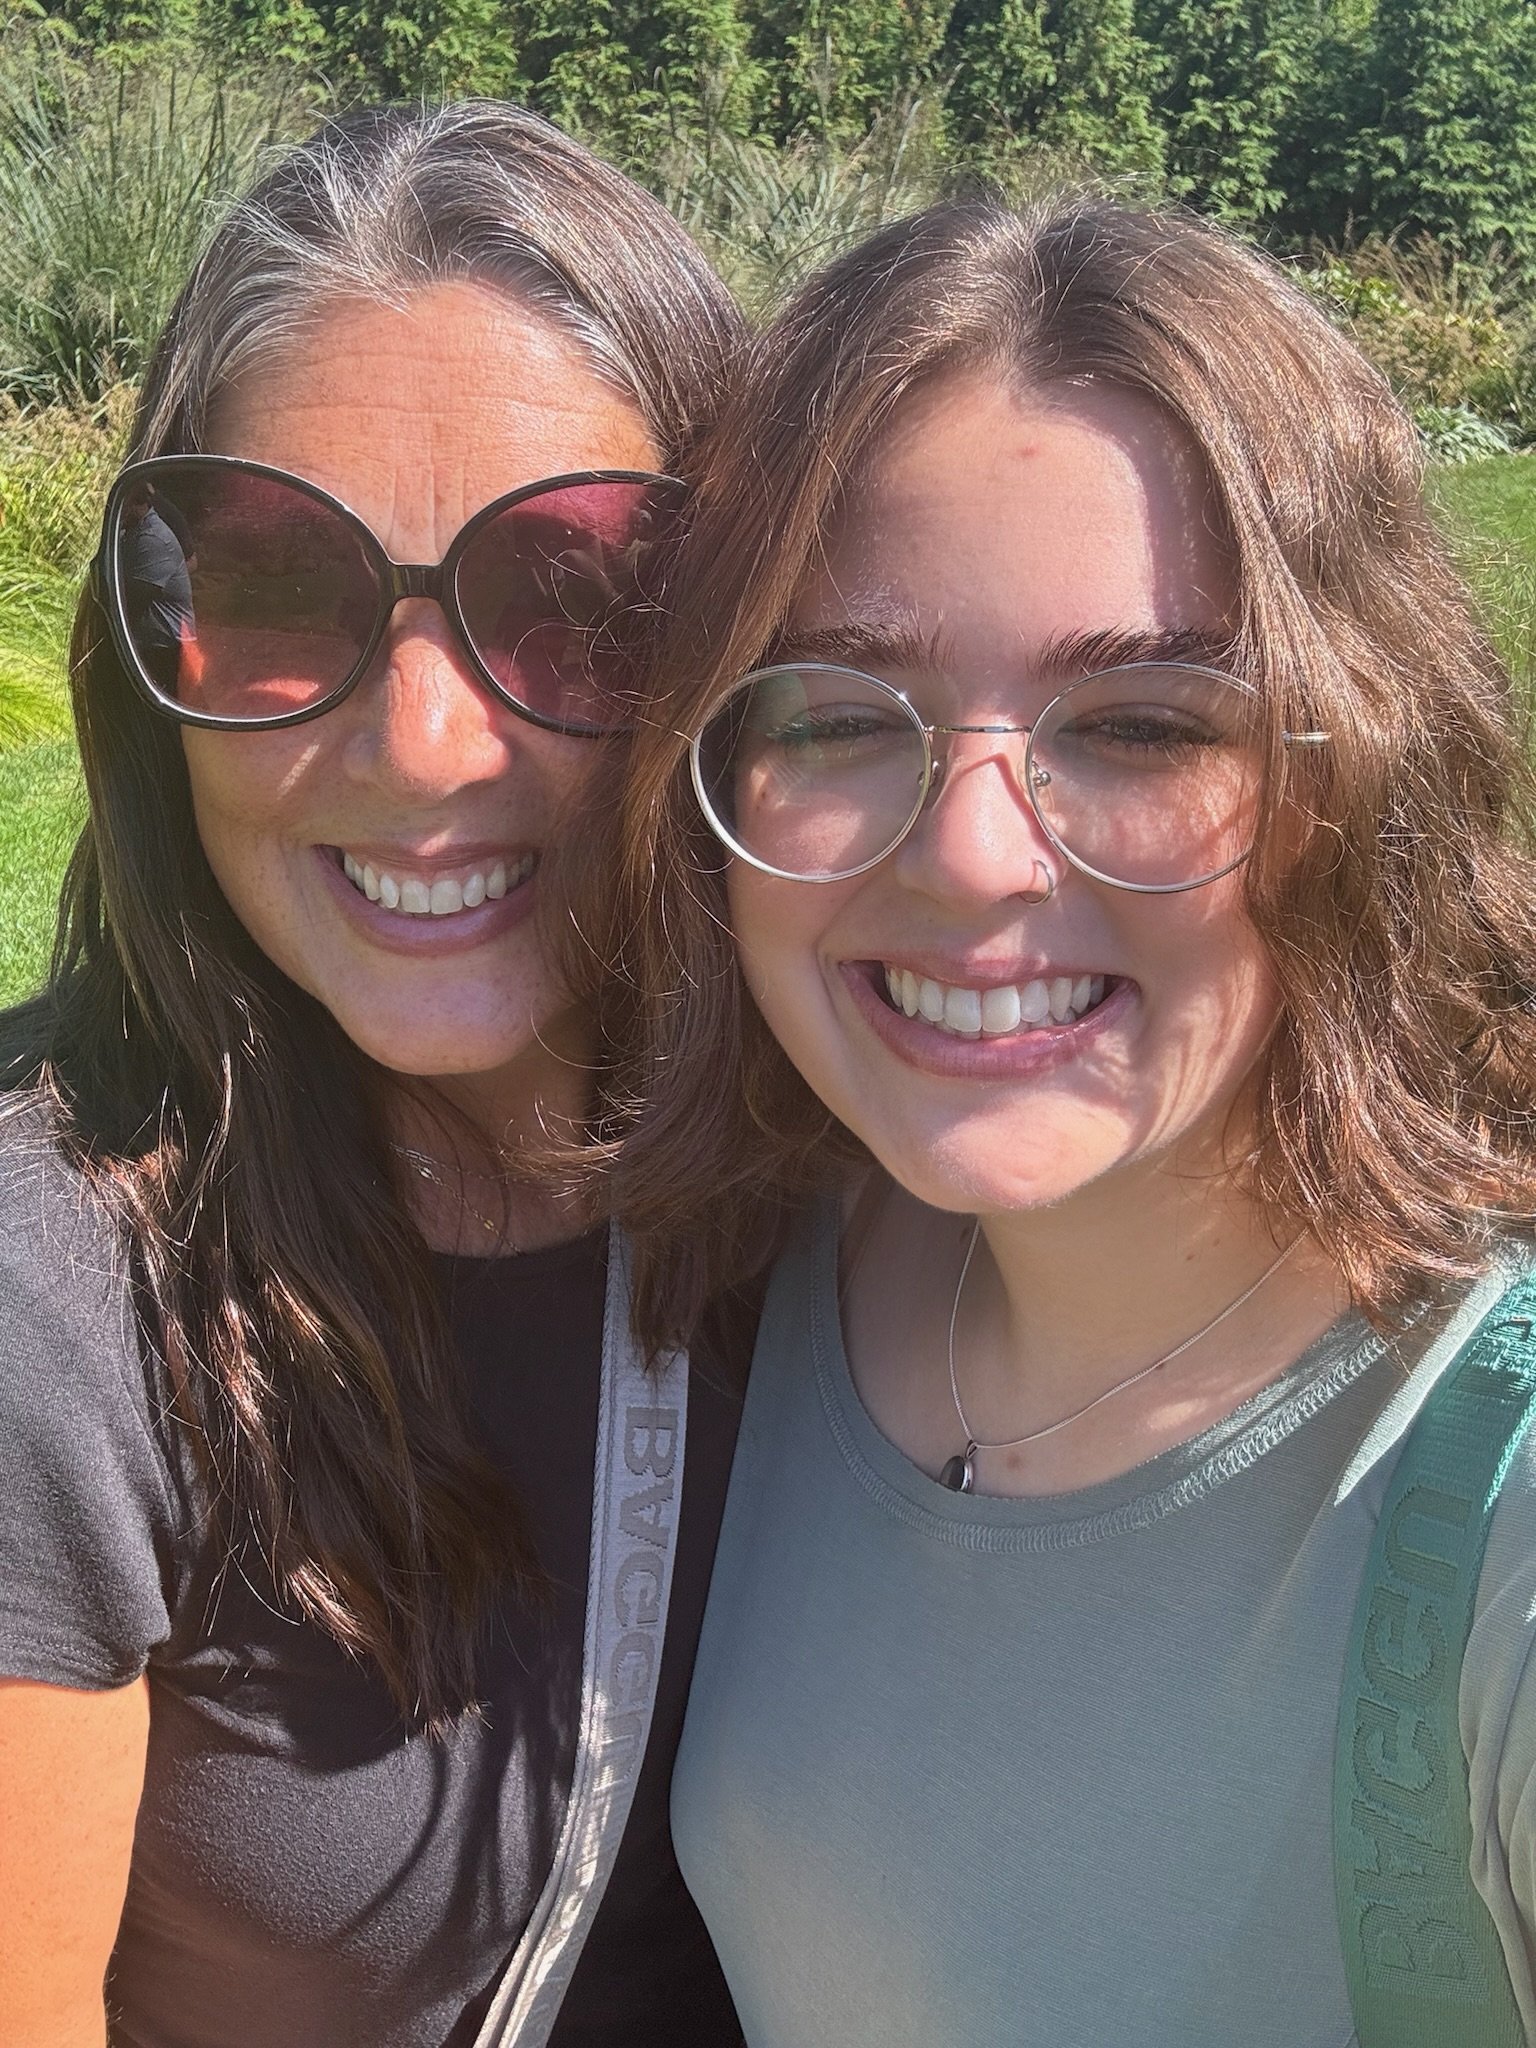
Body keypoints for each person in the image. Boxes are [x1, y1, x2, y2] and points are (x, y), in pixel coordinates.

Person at [588, 196, 1536, 2046]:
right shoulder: (768, 1274)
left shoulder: (1489, 1509)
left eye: (1147, 723)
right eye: (840, 710)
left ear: (1369, 773)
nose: (966, 855)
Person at [0, 102, 751, 2047]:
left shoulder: (861, 1179)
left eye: (574, 599)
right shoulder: (45, 1292)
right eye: (272, 591)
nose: (421, 743)